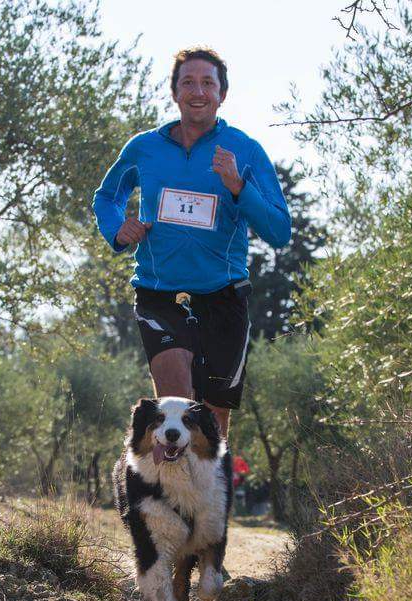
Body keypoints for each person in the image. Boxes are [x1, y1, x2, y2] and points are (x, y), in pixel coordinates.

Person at [92, 47, 290, 438]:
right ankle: (166, 500)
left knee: (211, 428)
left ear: (222, 94)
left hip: (223, 296)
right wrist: (118, 229)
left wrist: (238, 186)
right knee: (177, 410)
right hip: (159, 292)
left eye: (207, 83)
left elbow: (279, 231)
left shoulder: (244, 150)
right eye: (188, 82)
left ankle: (202, 498)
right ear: (174, 92)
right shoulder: (144, 148)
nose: (197, 91)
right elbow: (107, 197)